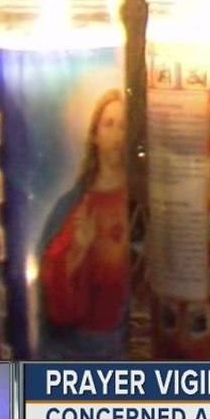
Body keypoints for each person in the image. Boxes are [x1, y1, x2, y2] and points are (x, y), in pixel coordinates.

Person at [37, 89, 129, 360]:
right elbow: (53, 279)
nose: (116, 135)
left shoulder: (139, 197)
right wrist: (78, 250)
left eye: (123, 126)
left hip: (124, 342)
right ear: (95, 136)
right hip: (79, 347)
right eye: (108, 124)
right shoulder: (76, 205)